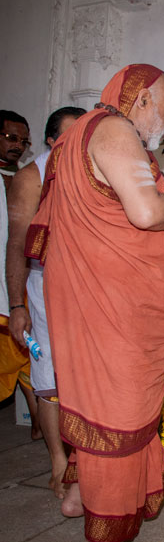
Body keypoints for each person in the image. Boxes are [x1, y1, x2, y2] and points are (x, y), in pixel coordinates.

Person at [25, 64, 164, 542]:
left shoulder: (79, 136)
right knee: (120, 410)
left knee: (99, 400)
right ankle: (109, 522)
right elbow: (146, 213)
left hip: (94, 298)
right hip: (112, 307)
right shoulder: (114, 129)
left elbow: (114, 212)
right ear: (142, 99)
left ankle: (77, 494)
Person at [6, 106, 86, 499]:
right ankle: (57, 461)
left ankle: (87, 456)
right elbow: (17, 245)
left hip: (91, 286)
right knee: (48, 374)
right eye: (67, 138)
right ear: (51, 141)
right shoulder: (31, 177)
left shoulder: (97, 170)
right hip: (44, 285)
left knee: (87, 373)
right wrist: (17, 305)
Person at [0, 109, 40, 439]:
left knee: (27, 350)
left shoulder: (26, 178)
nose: (18, 146)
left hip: (19, 280)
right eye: (11, 138)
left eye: (24, 141)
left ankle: (38, 421)